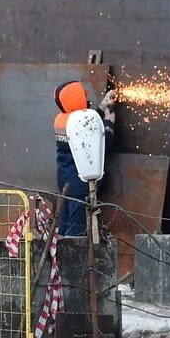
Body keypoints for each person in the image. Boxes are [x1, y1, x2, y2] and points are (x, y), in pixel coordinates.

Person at [53, 81, 116, 237]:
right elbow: (102, 144)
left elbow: (86, 123)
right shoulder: (78, 123)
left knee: (64, 224)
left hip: (65, 179)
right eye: (83, 94)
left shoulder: (63, 119)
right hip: (79, 183)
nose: (86, 96)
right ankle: (73, 260)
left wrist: (101, 107)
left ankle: (60, 258)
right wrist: (109, 123)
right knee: (76, 230)